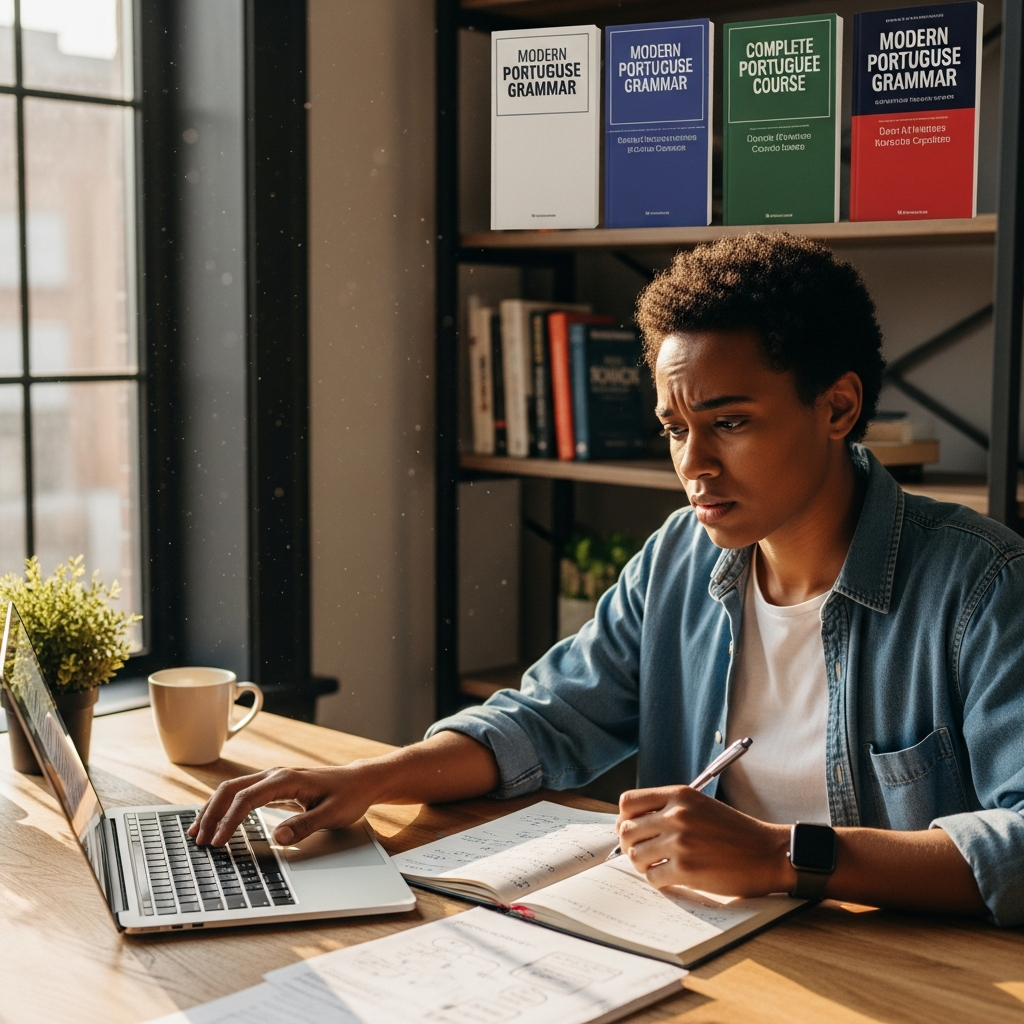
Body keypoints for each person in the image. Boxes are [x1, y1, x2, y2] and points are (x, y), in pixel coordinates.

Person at [191, 233, 1023, 926]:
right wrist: (374, 779)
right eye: (675, 429)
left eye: (730, 422)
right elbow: (548, 719)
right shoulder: (679, 557)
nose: (694, 465)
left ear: (837, 407)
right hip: (701, 945)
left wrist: (781, 855)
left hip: (903, 975)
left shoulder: (982, 585)